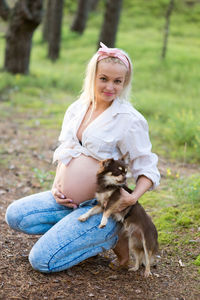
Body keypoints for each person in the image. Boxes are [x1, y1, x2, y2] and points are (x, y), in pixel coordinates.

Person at [5, 42, 160, 273]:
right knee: (15, 215)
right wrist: (58, 183)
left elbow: (146, 166)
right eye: (104, 78)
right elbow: (66, 149)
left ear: (125, 82)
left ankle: (110, 235)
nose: (110, 86)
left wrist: (132, 197)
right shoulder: (77, 108)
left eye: (118, 81)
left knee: (41, 261)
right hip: (67, 202)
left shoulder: (129, 120)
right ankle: (77, 234)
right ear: (93, 77)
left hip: (103, 206)